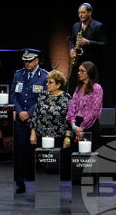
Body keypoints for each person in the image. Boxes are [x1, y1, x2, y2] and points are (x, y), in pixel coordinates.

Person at [11, 48, 49, 193]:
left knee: (39, 152)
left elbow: (45, 97)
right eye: (25, 61)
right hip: (20, 120)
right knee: (20, 152)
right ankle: (20, 183)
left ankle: (43, 183)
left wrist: (30, 113)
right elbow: (14, 94)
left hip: (37, 119)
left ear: (37, 60)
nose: (26, 63)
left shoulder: (44, 76)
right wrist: (20, 111)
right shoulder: (18, 74)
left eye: (29, 60)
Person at [29, 70, 71, 162]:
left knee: (57, 167)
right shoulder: (42, 96)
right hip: (42, 137)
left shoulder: (66, 98)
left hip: (59, 138)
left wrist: (67, 138)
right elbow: (36, 115)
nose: (47, 84)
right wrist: (33, 133)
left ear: (58, 84)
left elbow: (69, 120)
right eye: (47, 81)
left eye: (50, 82)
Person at [64, 60, 103, 149]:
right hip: (77, 125)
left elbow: (93, 111)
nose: (79, 73)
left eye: (82, 71)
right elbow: (72, 108)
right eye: (79, 70)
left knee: (90, 156)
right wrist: (74, 126)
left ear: (89, 72)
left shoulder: (97, 88)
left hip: (90, 126)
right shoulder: (79, 88)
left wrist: (81, 128)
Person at [67, 3, 108, 70]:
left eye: (83, 13)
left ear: (90, 13)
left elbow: (104, 44)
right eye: (79, 13)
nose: (80, 15)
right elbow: (73, 41)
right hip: (79, 62)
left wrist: (88, 42)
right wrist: (72, 49)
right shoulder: (76, 26)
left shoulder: (98, 26)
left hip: (93, 63)